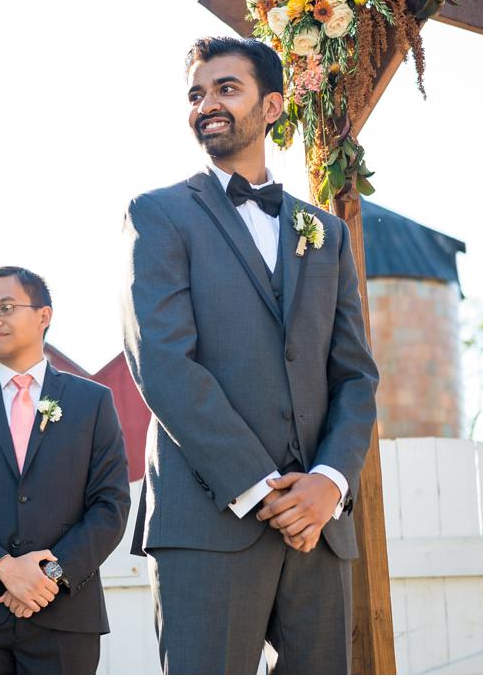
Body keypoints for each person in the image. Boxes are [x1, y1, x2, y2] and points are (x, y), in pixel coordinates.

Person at [119, 35, 380, 673]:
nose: (207, 104)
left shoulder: (326, 233)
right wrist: (261, 490)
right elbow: (163, 365)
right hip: (211, 522)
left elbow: (355, 378)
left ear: (272, 106)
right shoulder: (157, 215)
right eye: (196, 94)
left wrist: (329, 483)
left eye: (226, 89)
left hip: (319, 527)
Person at [0, 266, 129, 673]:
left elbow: (111, 505)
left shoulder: (93, 403)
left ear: (43, 316)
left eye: (4, 307)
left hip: (64, 619)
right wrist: (2, 570)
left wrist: (49, 574)